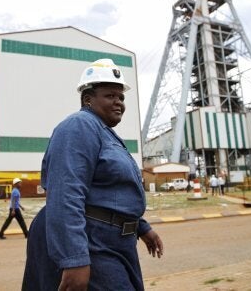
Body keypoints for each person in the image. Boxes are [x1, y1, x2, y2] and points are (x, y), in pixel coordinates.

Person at [22, 59, 163, 290]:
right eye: (110, 96)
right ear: (88, 99)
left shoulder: (105, 133)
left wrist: (141, 227)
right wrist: (74, 258)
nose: (119, 103)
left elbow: (110, 193)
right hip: (92, 240)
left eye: (121, 97)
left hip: (116, 241)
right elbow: (66, 193)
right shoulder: (79, 126)